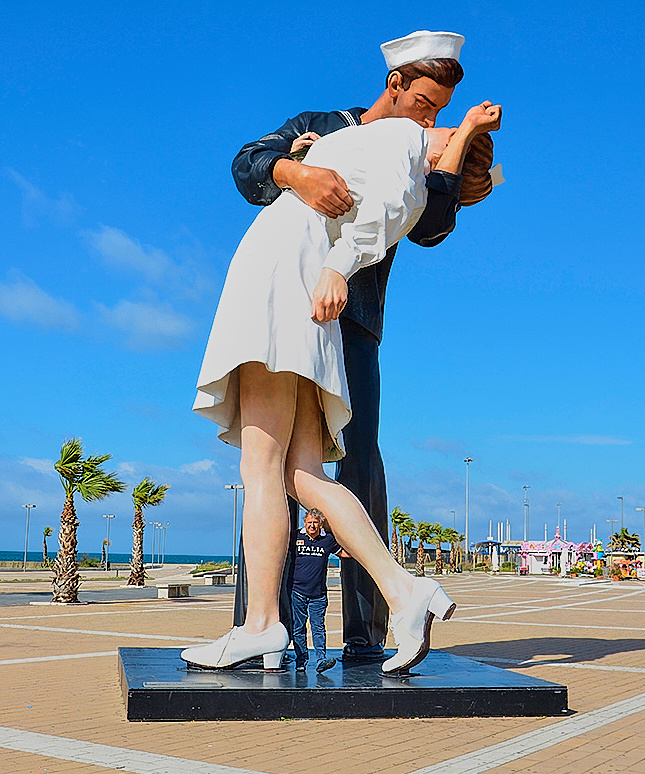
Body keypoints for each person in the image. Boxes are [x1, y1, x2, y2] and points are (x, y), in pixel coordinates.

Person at [183, 102, 499, 675]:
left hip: (282, 279)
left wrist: (338, 266)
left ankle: (261, 626)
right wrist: (306, 157)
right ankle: (403, 592)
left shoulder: (403, 142)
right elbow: (372, 200)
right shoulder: (386, 148)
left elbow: (384, 209)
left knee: (262, 468)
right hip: (301, 286)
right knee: (303, 475)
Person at [290, 508, 347, 673]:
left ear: (320, 523)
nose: (312, 526)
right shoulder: (295, 537)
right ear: (304, 522)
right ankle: (301, 661)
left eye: (315, 523)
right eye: (309, 523)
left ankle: (321, 660)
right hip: (297, 590)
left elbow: (343, 553)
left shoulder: (327, 539)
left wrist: (365, 552)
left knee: (318, 627)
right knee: (298, 628)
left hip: (318, 594)